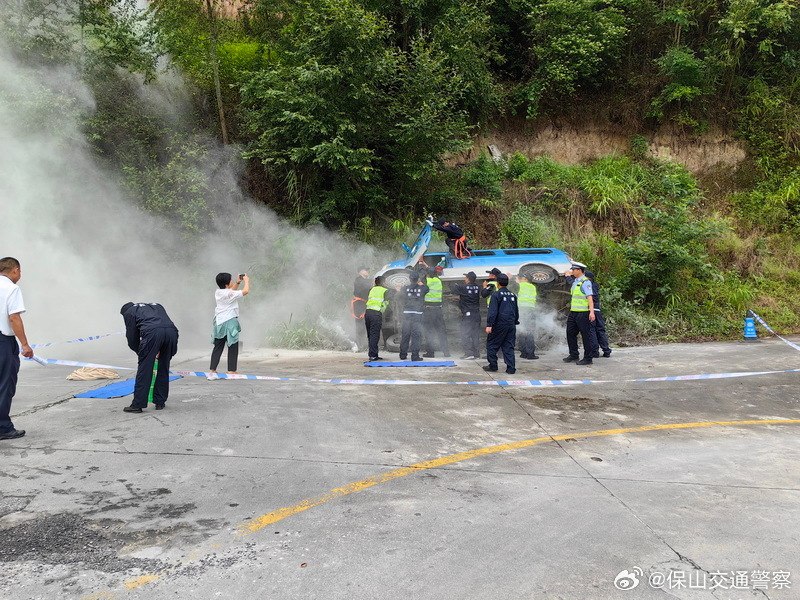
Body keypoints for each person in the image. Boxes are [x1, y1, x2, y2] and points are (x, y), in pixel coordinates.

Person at [120, 302, 179, 412]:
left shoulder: (129, 312)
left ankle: (138, 404)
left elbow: (132, 338)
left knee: (145, 370)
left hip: (153, 333)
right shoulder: (156, 305)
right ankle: (160, 402)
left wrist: (142, 353)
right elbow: (165, 324)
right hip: (172, 333)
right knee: (163, 367)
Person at [0, 257, 32, 440]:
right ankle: (3, 427)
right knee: (5, 385)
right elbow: (14, 318)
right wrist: (25, 345)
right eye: (19, 272)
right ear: (15, 270)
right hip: (3, 342)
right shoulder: (11, 288)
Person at [210, 273, 250, 377]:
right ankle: (231, 370)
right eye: (231, 280)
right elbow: (245, 291)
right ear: (227, 283)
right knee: (233, 345)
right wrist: (246, 281)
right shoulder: (229, 294)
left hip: (219, 321)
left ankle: (212, 370)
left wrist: (237, 282)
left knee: (218, 346)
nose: (232, 281)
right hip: (230, 321)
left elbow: (230, 291)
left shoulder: (218, 292)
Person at [483, 274, 519, 374]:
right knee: (509, 346)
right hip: (511, 324)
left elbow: (493, 311)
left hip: (499, 324)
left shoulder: (496, 295)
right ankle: (511, 368)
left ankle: (493, 365)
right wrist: (515, 321)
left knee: (492, 345)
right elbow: (515, 310)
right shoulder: (512, 295)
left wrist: (489, 324)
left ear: (498, 283)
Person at [563, 263, 597, 365]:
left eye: (573, 270)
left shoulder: (585, 282)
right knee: (570, 333)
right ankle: (574, 354)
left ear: (579, 270)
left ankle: (588, 358)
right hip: (573, 313)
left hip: (583, 313)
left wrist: (592, 312)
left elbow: (590, 298)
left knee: (586, 336)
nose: (572, 271)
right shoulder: (575, 282)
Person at [398, 272, 428, 361]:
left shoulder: (405, 288)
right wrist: (421, 284)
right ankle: (415, 356)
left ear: (410, 279)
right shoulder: (423, 288)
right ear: (418, 279)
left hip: (407, 314)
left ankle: (403, 355)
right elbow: (427, 289)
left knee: (405, 335)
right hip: (417, 314)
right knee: (416, 336)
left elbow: (399, 296)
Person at [363, 276, 394, 361]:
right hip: (375, 314)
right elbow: (393, 295)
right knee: (374, 335)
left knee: (370, 335)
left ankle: (373, 354)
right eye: (385, 282)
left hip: (368, 313)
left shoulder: (371, 290)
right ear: (383, 283)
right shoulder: (385, 291)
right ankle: (373, 355)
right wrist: (397, 288)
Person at [452, 271, 481, 359]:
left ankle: (469, 353)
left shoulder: (463, 287)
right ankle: (476, 353)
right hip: (476, 314)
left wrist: (454, 284)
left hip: (468, 315)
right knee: (475, 334)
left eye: (465, 277)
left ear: (468, 279)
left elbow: (453, 289)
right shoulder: (478, 287)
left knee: (465, 333)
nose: (464, 279)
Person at [422, 266, 450, 358]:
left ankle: (430, 353)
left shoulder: (427, 281)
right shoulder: (438, 281)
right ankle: (446, 352)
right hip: (438, 310)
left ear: (428, 274)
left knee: (429, 331)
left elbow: (421, 281)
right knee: (441, 331)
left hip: (429, 310)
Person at [585, 270, 611, 358]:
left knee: (591, 331)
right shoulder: (595, 285)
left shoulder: (586, 285)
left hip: (590, 310)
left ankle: (595, 352)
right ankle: (606, 350)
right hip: (597, 310)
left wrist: (568, 277)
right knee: (600, 330)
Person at [516, 273, 539, 359]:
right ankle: (530, 353)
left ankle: (523, 352)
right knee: (529, 332)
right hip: (530, 311)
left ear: (525, 279)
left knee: (522, 331)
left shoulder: (519, 285)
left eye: (521, 278)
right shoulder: (533, 287)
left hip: (521, 311)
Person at [352, 267, 371, 350]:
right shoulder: (358, 280)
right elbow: (366, 286)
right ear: (360, 272)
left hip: (363, 303)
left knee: (364, 324)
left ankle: (363, 344)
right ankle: (359, 344)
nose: (367, 271)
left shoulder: (364, 280)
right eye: (365, 270)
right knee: (360, 324)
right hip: (359, 304)